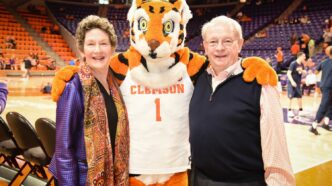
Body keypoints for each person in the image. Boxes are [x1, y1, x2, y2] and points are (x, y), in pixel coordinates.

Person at [189, 15, 295, 186]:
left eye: (228, 41)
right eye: (213, 42)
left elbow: (276, 150)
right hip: (198, 179)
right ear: (205, 47)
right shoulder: (197, 78)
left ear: (240, 44)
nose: (219, 48)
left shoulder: (260, 83)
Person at [48, 15, 130, 185]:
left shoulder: (115, 85)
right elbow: (64, 150)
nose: (97, 50)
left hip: (111, 176)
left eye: (104, 43)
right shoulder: (73, 87)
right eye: (91, 44)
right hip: (80, 179)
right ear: (81, 50)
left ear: (113, 48)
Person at [309, 46, 332, 135]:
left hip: (324, 85)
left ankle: (326, 124)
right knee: (324, 105)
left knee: (330, 105)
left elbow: (316, 72)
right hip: (329, 87)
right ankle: (313, 126)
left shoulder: (324, 62)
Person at [287, 52, 306, 117]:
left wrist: (302, 71)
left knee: (299, 96)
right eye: (304, 56)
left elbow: (304, 73)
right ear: (300, 56)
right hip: (291, 83)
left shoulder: (302, 65)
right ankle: (289, 111)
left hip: (298, 83)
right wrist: (292, 82)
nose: (305, 58)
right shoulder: (293, 63)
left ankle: (300, 110)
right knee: (290, 97)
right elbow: (288, 73)